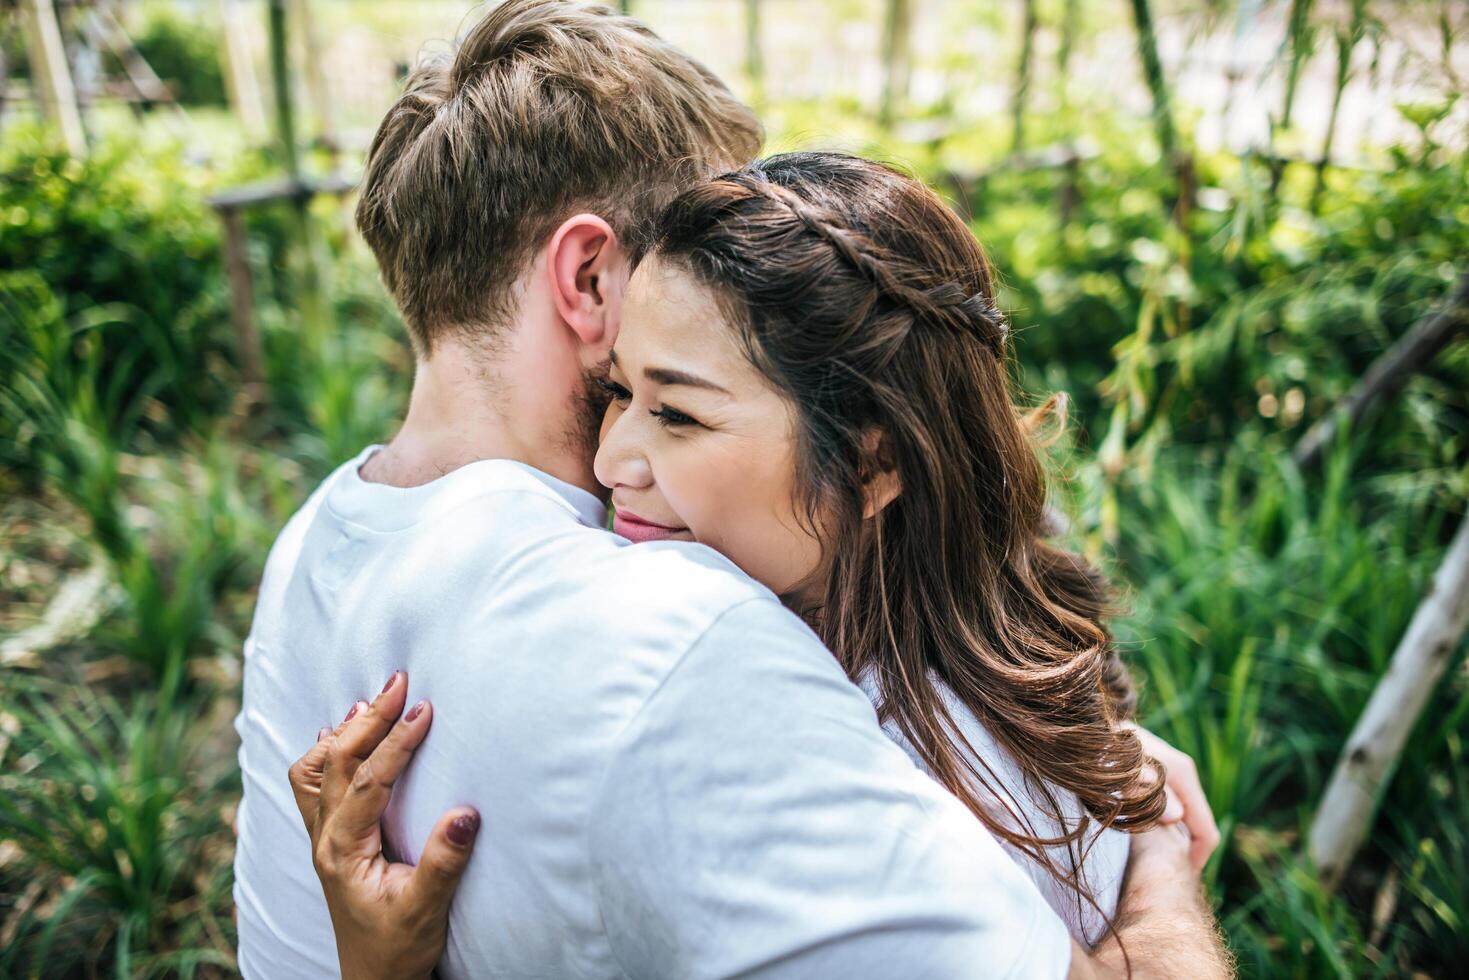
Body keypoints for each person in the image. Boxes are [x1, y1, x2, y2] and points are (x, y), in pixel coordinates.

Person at [237, 2, 1227, 977]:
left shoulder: (322, 542)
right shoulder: (680, 632)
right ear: (588, 278)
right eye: (695, 235)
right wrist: (1151, 845)